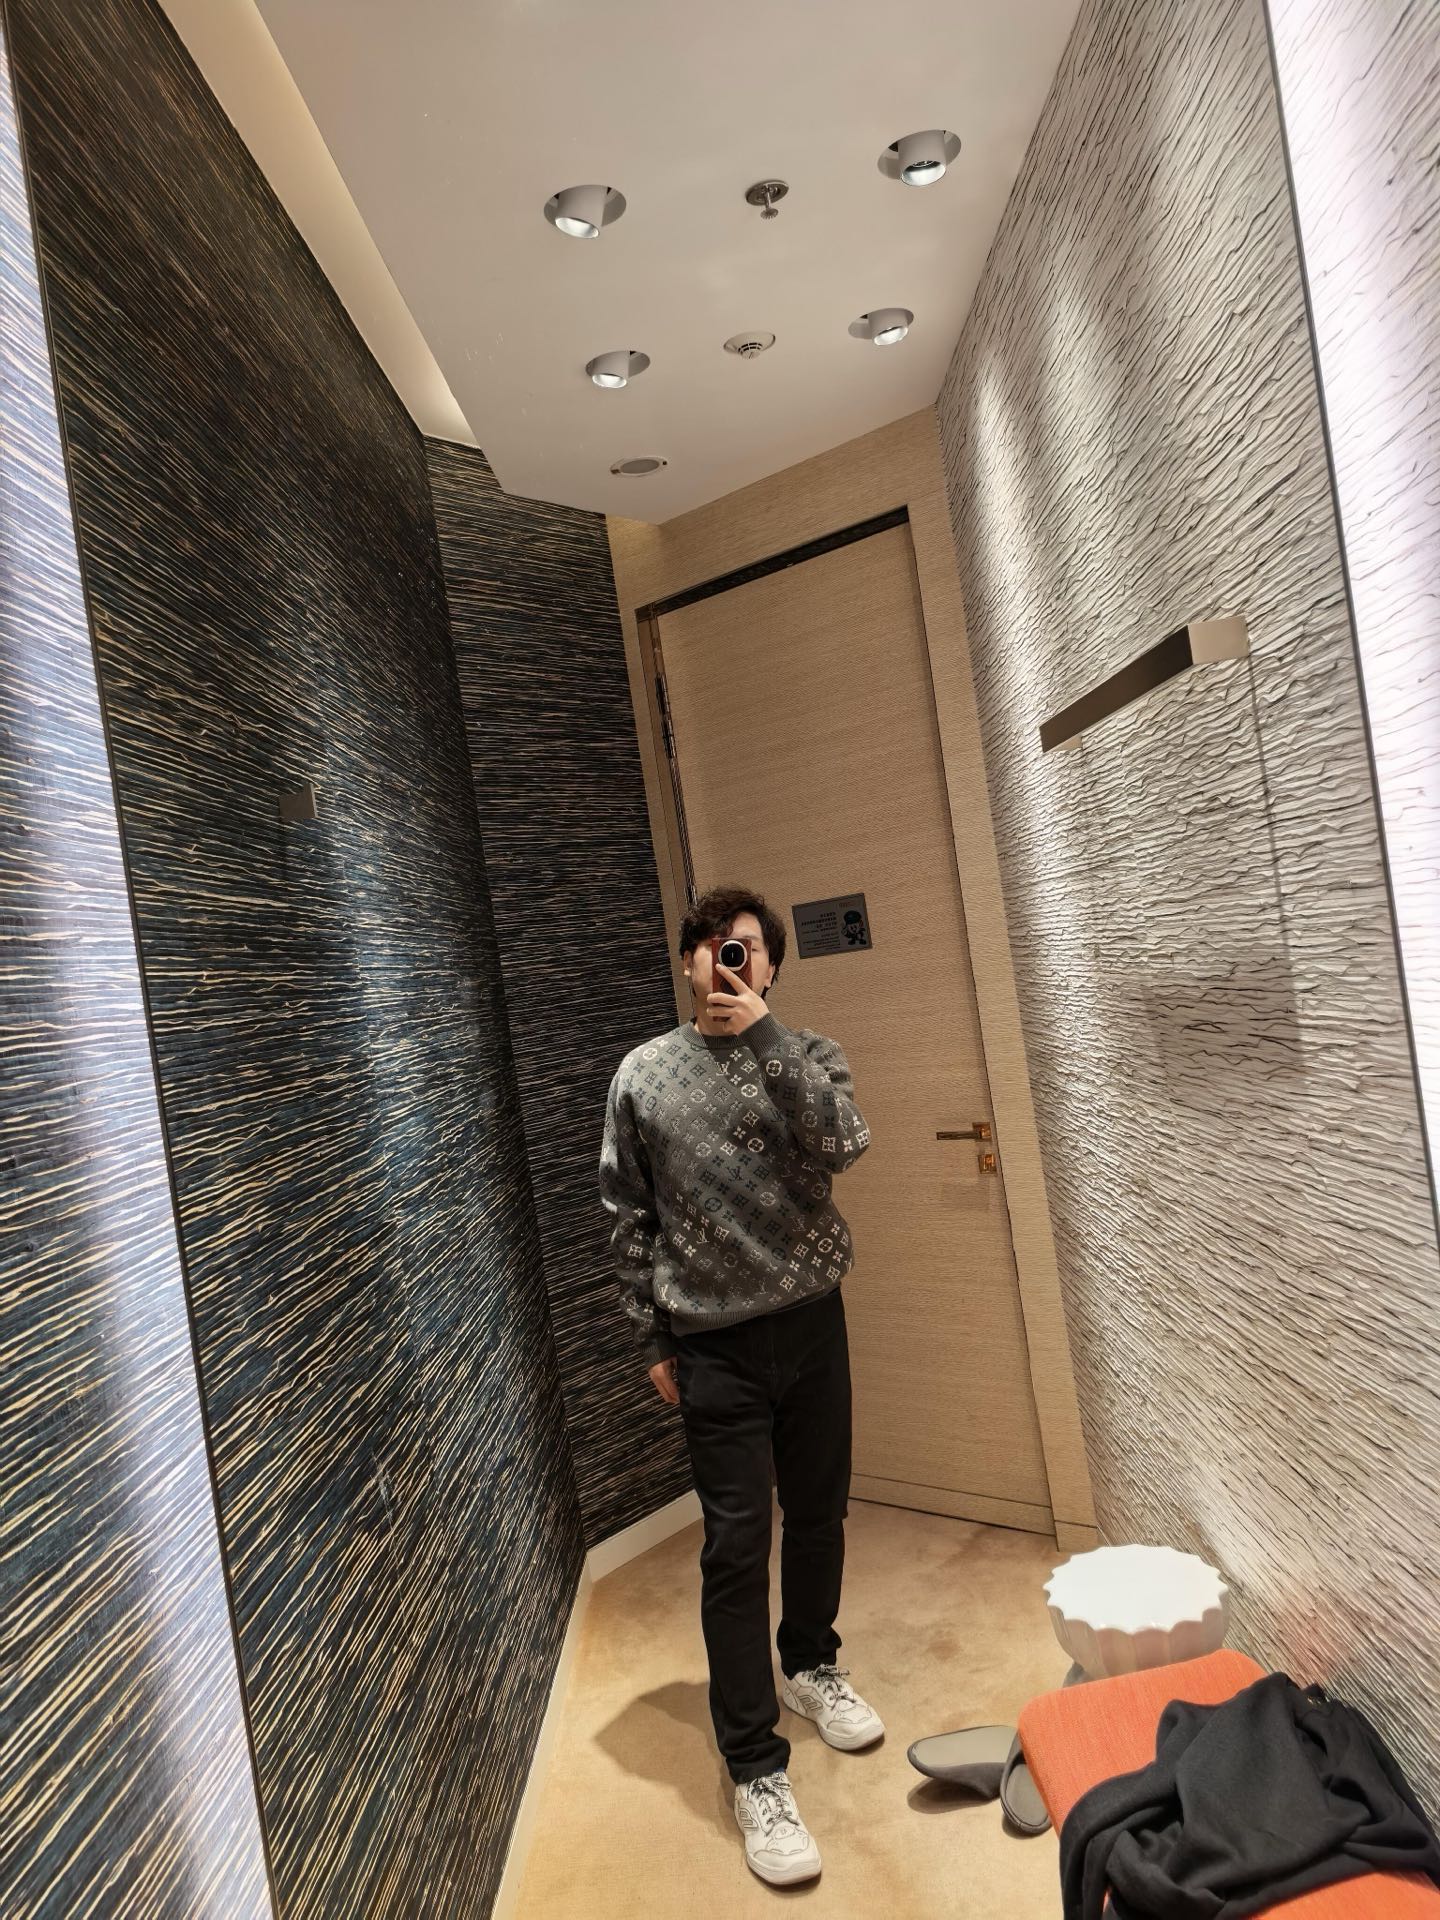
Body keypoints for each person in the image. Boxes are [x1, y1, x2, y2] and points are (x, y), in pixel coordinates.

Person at [599, 883, 882, 1887]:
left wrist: (765, 1039)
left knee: (820, 1512)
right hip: (710, 1342)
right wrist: (651, 1335)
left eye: (748, 949)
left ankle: (810, 1663)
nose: (731, 961)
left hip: (812, 1323)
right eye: (716, 947)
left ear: (770, 967)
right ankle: (755, 1765)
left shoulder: (809, 1055)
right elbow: (628, 1214)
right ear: (688, 961)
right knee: (733, 1548)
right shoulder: (643, 1075)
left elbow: (845, 1145)